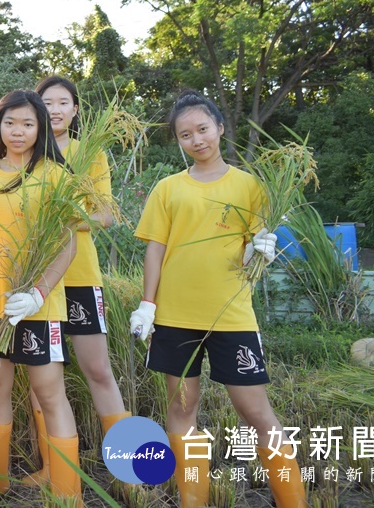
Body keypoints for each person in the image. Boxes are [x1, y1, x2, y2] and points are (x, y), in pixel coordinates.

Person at [128, 90, 306, 507]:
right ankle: (194, 500)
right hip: (175, 315)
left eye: (203, 129)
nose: (197, 140)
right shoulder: (168, 189)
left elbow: (258, 249)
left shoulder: (250, 186)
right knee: (182, 406)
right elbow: (155, 249)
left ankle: (293, 501)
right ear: (179, 141)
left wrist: (258, 251)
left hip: (232, 316)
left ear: (220, 128)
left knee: (255, 410)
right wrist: (147, 305)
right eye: (185, 134)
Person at [0, 90, 83, 504]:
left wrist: (38, 293)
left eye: (28, 123)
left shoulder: (58, 177)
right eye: (11, 123)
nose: (19, 131)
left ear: (41, 128)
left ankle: (68, 492)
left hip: (39, 307)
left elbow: (68, 246)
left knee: (49, 392)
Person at [24, 76, 129, 485]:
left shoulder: (90, 152)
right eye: (45, 101)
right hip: (35, 283)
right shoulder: (28, 154)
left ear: (75, 109)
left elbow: (107, 214)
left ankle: (125, 463)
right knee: (41, 380)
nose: (54, 109)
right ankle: (53, 468)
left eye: (62, 102)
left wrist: (66, 218)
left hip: (81, 277)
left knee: (98, 369)